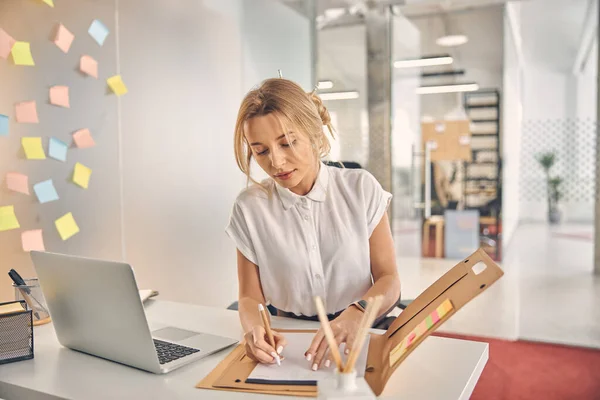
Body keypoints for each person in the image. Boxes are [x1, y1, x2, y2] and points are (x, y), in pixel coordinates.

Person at [226, 78, 401, 371]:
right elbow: (249, 296)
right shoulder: (249, 208)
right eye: (261, 150)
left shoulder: (361, 188)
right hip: (292, 340)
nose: (277, 162)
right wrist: (254, 329)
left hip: (365, 325)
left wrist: (358, 313)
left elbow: (389, 279)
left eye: (288, 142)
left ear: (315, 135)